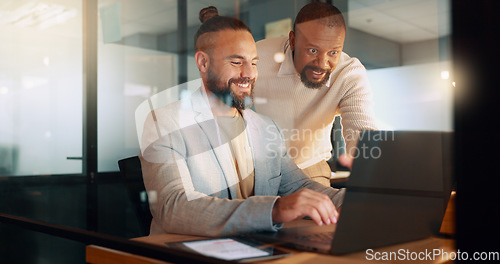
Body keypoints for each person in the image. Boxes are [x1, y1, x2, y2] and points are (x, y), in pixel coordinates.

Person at [139, 8, 344, 237]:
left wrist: (363, 202)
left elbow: (300, 188)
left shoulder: (267, 128)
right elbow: (173, 207)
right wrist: (274, 210)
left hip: (258, 249)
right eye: (237, 62)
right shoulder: (164, 122)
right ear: (203, 62)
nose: (249, 73)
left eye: (254, 63)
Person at [254, 2, 378, 186]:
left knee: (323, 214)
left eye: (333, 52)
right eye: (313, 50)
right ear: (293, 40)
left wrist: (365, 161)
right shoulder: (257, 56)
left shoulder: (349, 73)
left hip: (309, 168)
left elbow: (361, 128)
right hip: (256, 171)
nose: (322, 63)